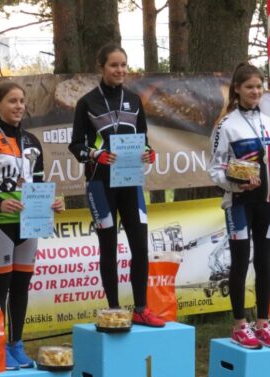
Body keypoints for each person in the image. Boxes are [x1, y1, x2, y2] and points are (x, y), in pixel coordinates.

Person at [208, 63, 270, 349]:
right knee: (240, 263)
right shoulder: (226, 125)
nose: (255, 91)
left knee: (265, 263)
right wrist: (236, 185)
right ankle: (240, 325)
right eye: (249, 87)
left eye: (259, 86)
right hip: (239, 204)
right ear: (237, 89)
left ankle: (263, 323)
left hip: (268, 203)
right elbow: (214, 169)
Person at [0, 82, 63, 370]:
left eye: (22, 101)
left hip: (29, 224)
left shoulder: (32, 142)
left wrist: (50, 202)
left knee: (21, 287)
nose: (19, 106)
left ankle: (16, 344)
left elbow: (37, 183)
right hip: (0, 223)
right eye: (12, 101)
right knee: (0, 287)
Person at [68, 44, 165, 328]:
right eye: (114, 65)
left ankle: (141, 309)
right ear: (101, 67)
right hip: (100, 184)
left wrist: (148, 152)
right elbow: (76, 145)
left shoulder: (133, 100)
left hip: (130, 183)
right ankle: (113, 309)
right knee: (108, 247)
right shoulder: (87, 102)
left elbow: (142, 138)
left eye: (123, 64)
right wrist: (95, 155)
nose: (120, 70)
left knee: (140, 246)